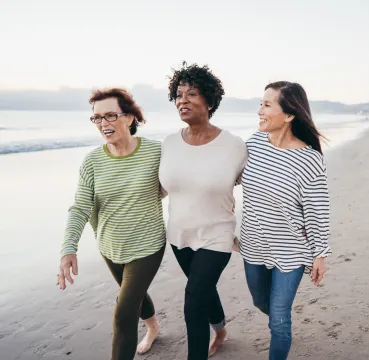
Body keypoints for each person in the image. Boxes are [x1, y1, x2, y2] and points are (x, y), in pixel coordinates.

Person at [57, 88, 167, 360]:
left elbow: (183, 182)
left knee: (125, 308)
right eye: (96, 118)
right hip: (110, 246)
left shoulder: (157, 152)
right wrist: (68, 248)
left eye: (110, 115)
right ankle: (153, 329)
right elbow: (80, 206)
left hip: (148, 245)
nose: (103, 123)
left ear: (129, 118)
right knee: (134, 295)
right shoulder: (93, 161)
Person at [159, 62, 247, 360]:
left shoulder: (234, 146)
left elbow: (255, 188)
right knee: (203, 289)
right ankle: (220, 329)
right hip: (179, 234)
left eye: (192, 93)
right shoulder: (169, 144)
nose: (182, 100)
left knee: (193, 299)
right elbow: (158, 189)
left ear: (209, 101)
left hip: (217, 234)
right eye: (178, 94)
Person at [239, 81, 332, 360]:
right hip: (253, 244)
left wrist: (320, 254)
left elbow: (318, 210)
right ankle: (281, 323)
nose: (260, 111)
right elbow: (228, 176)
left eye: (267, 105)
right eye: (260, 103)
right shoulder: (253, 143)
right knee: (260, 302)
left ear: (289, 115)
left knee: (279, 320)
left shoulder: (309, 160)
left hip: (291, 251)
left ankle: (282, 332)